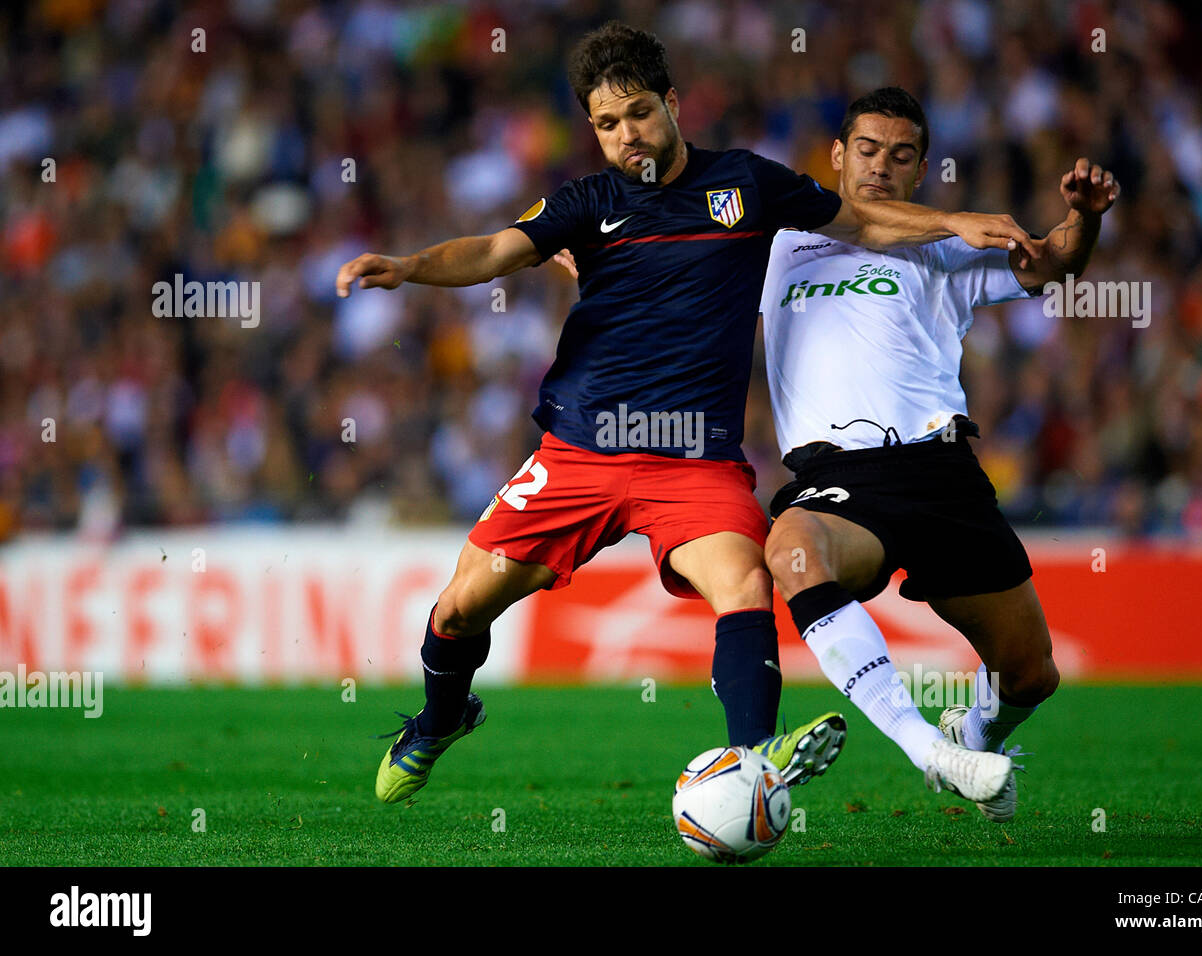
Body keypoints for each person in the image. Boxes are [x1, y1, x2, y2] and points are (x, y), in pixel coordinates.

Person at [335, 25, 1038, 805]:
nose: (626, 134)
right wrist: (409, 267)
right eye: (607, 123)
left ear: (671, 105)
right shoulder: (586, 203)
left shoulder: (747, 186)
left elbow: (862, 218)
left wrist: (954, 222)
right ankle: (438, 721)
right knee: (463, 606)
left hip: (693, 460)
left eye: (638, 113)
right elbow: (497, 251)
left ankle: (752, 765)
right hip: (584, 450)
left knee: (745, 583)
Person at [759, 87, 1119, 820]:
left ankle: (976, 728)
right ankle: (931, 749)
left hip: (942, 472)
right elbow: (670, 267)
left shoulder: (945, 249)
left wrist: (1084, 218)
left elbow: (1053, 265)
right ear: (836, 156)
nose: (880, 168)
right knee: (793, 550)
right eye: (866, 150)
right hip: (839, 477)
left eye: (900, 156)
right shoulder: (775, 243)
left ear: (920, 169)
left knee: (1031, 674)